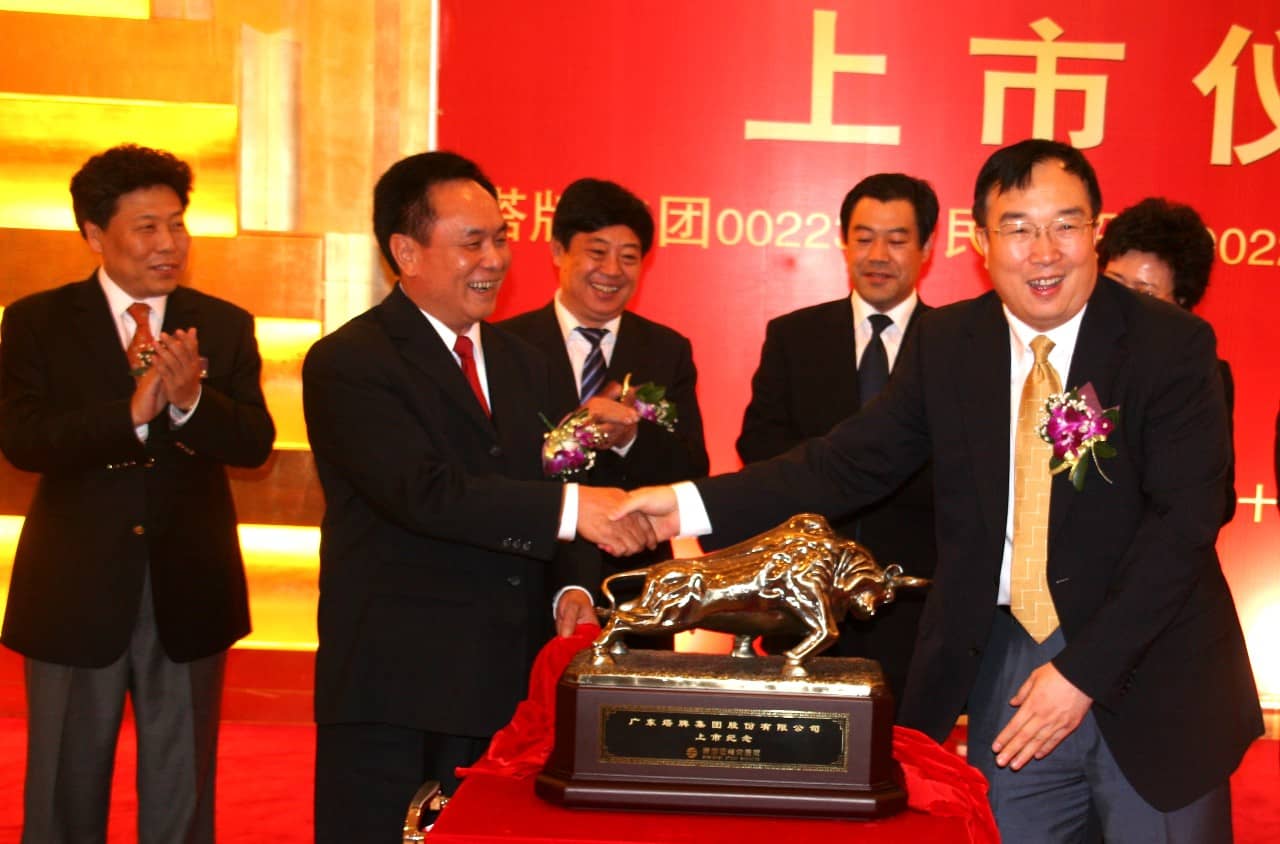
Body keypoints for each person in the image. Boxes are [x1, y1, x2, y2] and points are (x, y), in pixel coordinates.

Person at [618, 139, 1262, 841]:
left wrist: (1082, 673)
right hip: (1010, 662)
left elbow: (1184, 523)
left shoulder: (1170, 345)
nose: (1045, 252)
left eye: (1066, 225)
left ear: (1095, 231)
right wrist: (686, 504)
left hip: (1154, 667)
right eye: (1018, 228)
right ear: (981, 242)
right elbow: (843, 464)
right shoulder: (950, 343)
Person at [301, 152, 652, 842]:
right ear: (406, 252)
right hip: (397, 686)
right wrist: (576, 513)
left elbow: (555, 478)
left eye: (500, 238)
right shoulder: (351, 362)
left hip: (504, 686)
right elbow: (424, 493)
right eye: (472, 243)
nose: (494, 260)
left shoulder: (526, 363)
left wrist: (572, 589)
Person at [0, 144, 276, 843]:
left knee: (181, 794)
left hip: (189, 585)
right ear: (95, 234)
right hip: (74, 589)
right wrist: (130, 413)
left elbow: (254, 443)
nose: (169, 244)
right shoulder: (36, 322)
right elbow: (24, 441)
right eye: (147, 226)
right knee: (63, 791)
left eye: (177, 224)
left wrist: (191, 403)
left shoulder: (223, 323)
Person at [735, 172, 938, 708]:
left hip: (915, 596)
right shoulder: (794, 336)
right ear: (844, 242)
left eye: (897, 240)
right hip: (805, 595)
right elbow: (760, 447)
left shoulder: (955, 344)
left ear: (926, 248)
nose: (878, 255)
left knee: (905, 744)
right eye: (864, 237)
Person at [501, 178, 708, 600]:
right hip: (526, 577)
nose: (612, 271)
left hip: (633, 584)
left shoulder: (666, 350)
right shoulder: (504, 346)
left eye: (628, 257)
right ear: (558, 251)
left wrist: (631, 438)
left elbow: (691, 469)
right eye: (597, 252)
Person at [1097, 197, 1236, 524]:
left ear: (1181, 303)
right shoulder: (1063, 356)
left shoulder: (1202, 376)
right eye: (1114, 283)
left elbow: (1215, 499)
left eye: (1144, 293)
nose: (1123, 303)